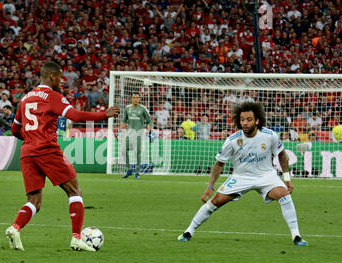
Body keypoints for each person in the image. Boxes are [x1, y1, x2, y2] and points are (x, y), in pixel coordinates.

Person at [5, 62, 119, 252]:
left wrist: (32, 139)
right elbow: (74, 115)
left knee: (34, 201)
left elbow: (15, 129)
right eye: (60, 77)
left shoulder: (25, 98)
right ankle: (76, 238)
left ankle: (15, 227)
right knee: (75, 192)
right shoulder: (53, 97)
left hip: (27, 152)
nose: (62, 81)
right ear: (51, 77)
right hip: (47, 149)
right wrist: (104, 115)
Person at [178, 102, 308, 247]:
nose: (245, 123)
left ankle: (296, 235)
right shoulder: (232, 140)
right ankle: (188, 231)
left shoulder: (270, 136)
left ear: (257, 120)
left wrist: (287, 179)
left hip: (266, 176)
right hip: (240, 177)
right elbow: (219, 164)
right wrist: (210, 186)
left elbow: (282, 155)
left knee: (284, 195)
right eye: (242, 120)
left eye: (249, 119)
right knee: (215, 202)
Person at [120, 92, 153, 179]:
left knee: (137, 153)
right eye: (134, 97)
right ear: (131, 98)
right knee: (123, 150)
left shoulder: (143, 109)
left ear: (139, 99)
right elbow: (124, 120)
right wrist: (121, 127)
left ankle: (137, 172)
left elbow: (150, 120)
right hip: (129, 132)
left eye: (137, 97)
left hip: (139, 133)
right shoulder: (127, 108)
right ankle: (129, 169)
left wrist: (149, 128)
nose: (135, 99)